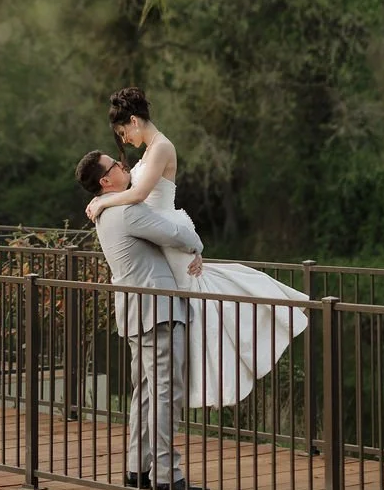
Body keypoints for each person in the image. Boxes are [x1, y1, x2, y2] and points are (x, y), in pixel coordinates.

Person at [85, 87, 309, 407]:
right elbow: (134, 200)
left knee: (199, 305)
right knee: (192, 308)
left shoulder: (162, 147)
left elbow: (136, 196)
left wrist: (102, 202)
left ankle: (220, 371)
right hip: (158, 235)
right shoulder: (147, 153)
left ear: (134, 121)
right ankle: (184, 389)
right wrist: (103, 200)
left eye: (124, 133)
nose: (125, 141)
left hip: (168, 234)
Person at [75, 148, 205, 490]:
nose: (122, 165)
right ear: (106, 181)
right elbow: (175, 235)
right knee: (166, 392)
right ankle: (166, 474)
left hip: (136, 310)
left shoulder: (105, 213)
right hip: (157, 310)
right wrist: (198, 243)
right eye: (115, 165)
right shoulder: (126, 211)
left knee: (145, 394)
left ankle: (137, 468)